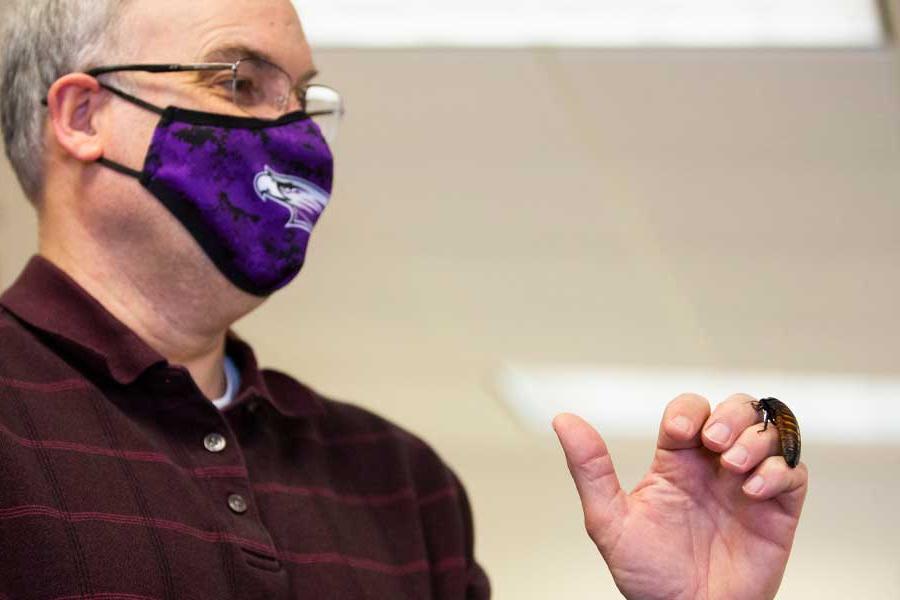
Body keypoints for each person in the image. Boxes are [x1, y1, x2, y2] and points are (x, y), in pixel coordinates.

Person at [0, 0, 808, 598]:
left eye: (304, 98)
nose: (297, 135)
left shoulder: (396, 483)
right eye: (241, 82)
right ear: (84, 115)